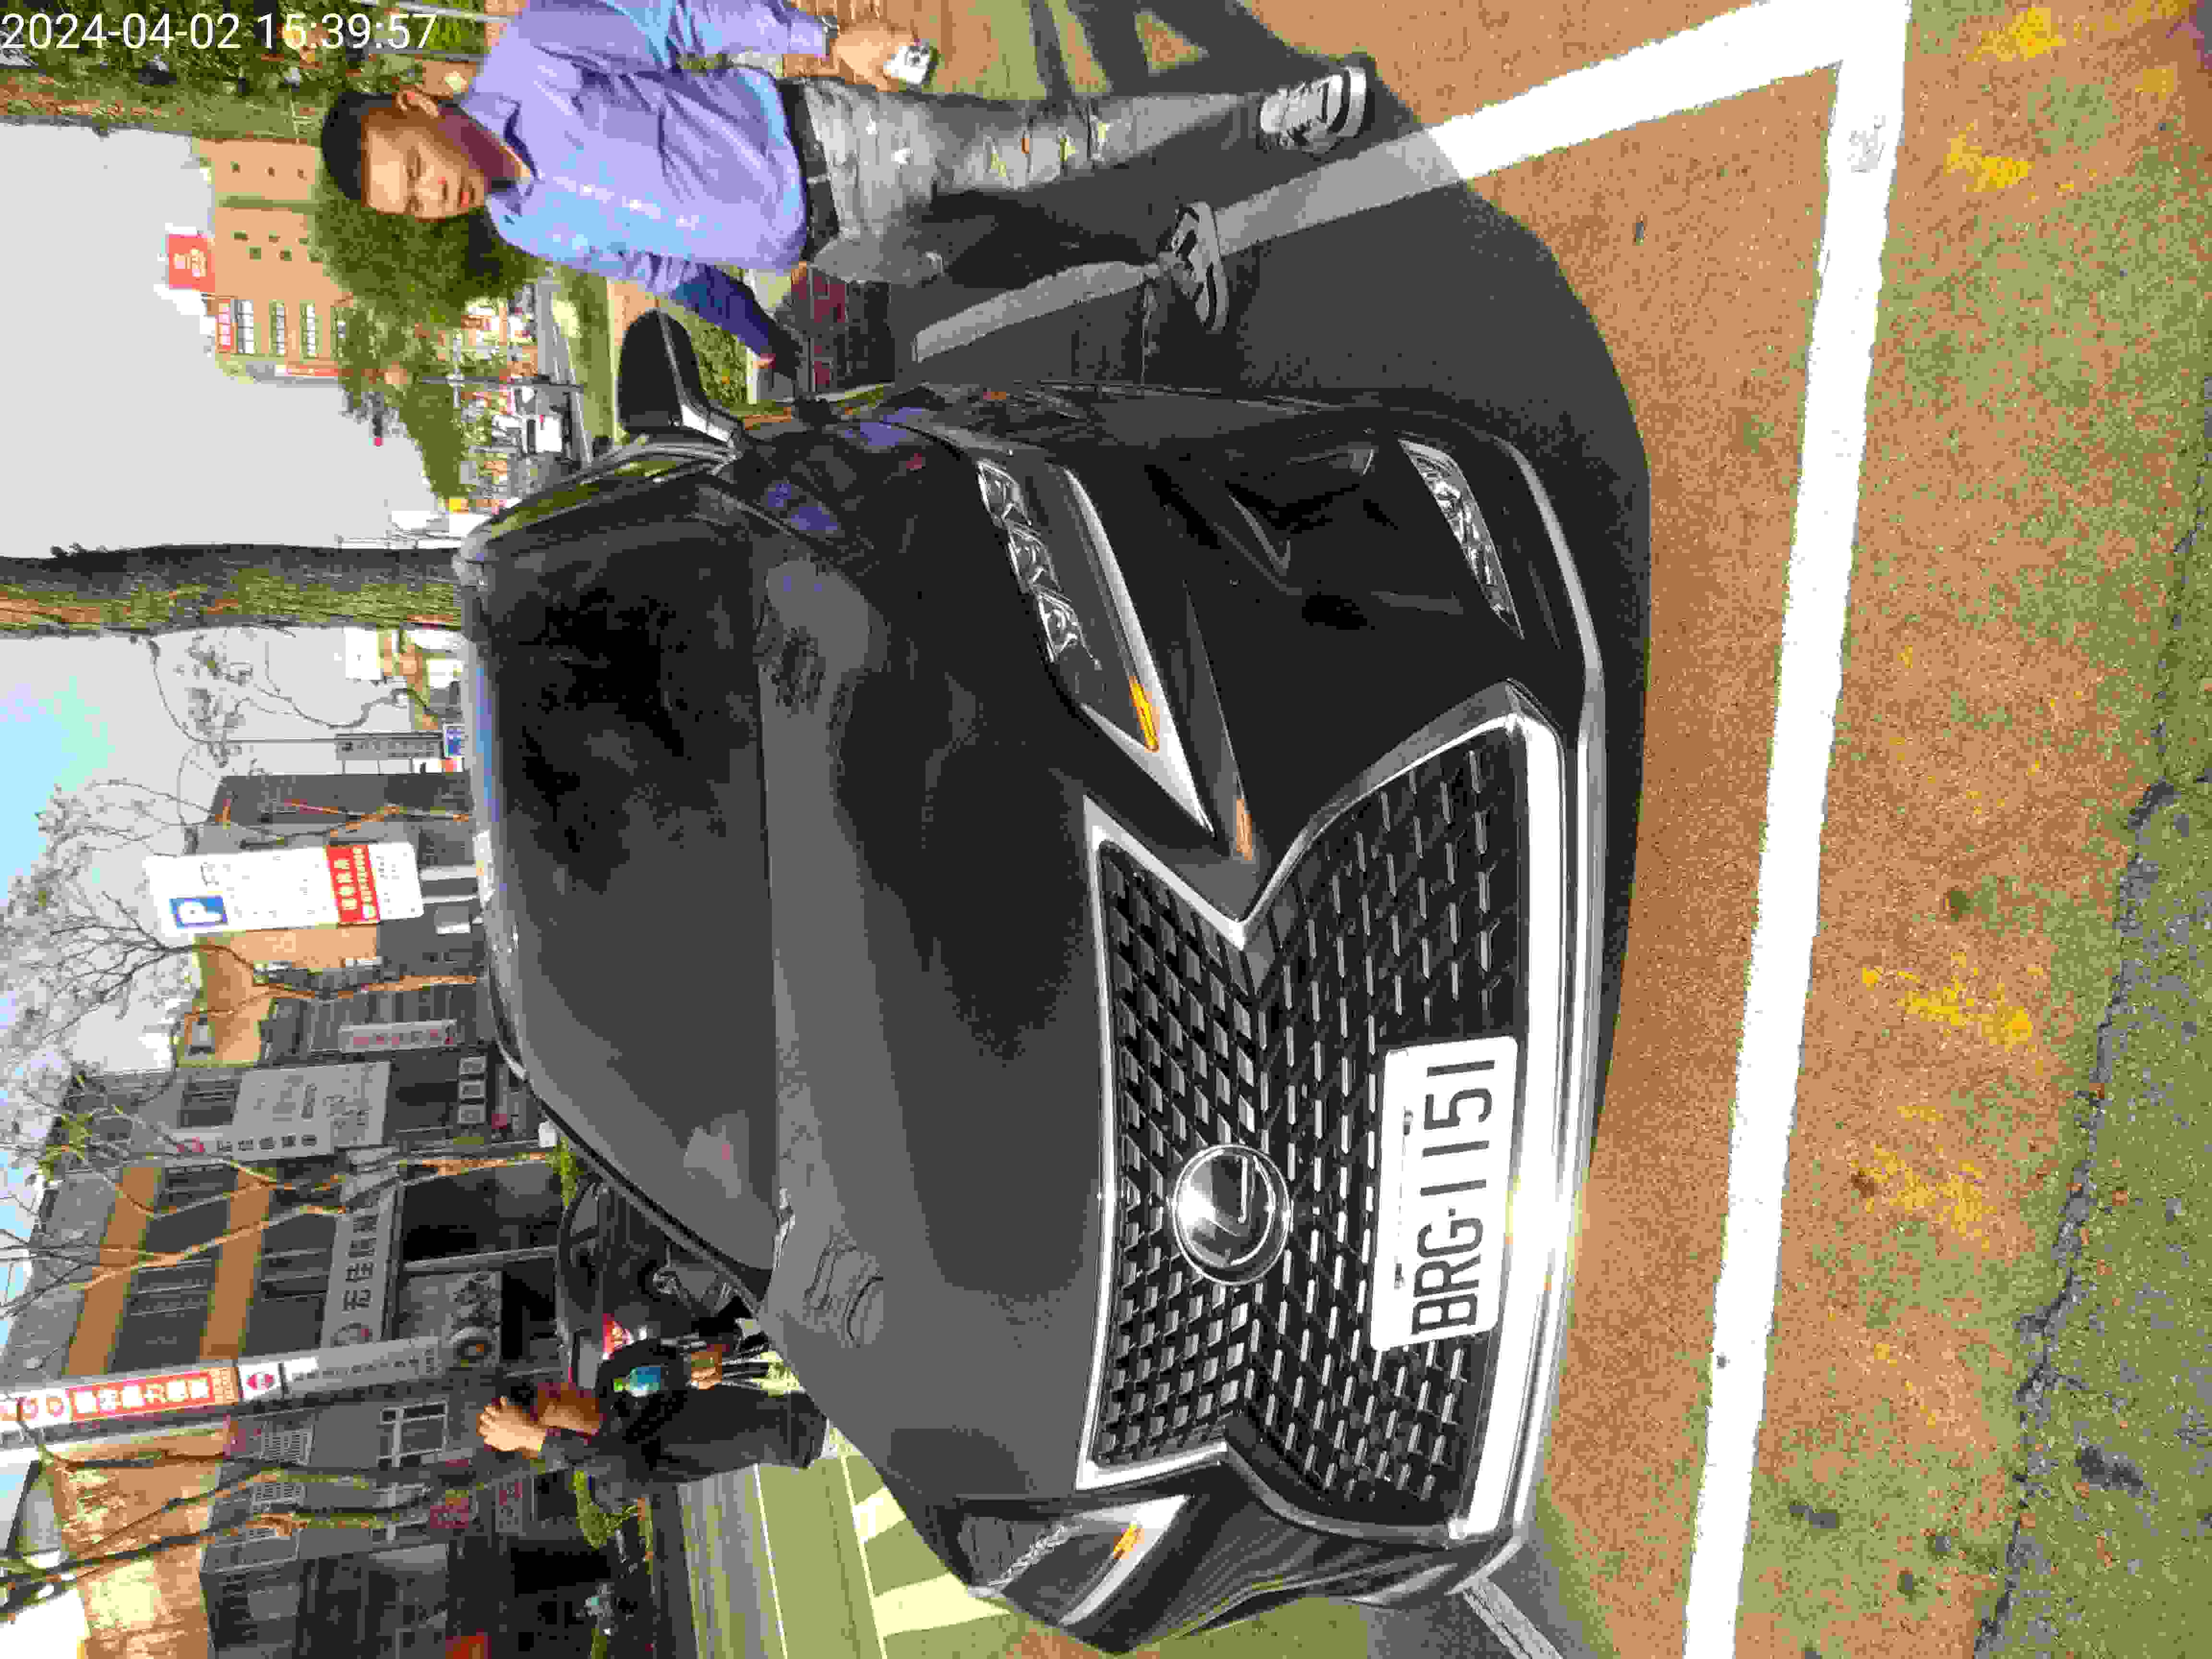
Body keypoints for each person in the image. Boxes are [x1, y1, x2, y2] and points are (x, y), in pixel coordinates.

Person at [318, 0, 1375, 372]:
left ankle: (1272, 112)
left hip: (843, 144)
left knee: (1056, 146)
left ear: (417, 108)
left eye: (411, 172)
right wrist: (762, 340)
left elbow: (682, 20)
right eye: (407, 205)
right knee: (1009, 257)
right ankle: (1156, 247)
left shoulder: (536, 53)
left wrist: (825, 41)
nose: (427, 198)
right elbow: (665, 267)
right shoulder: (528, 226)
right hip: (836, 247)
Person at [477, 1334, 834, 1494]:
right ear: (534, 1444)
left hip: (808, 1354)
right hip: (810, 1426)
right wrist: (533, 1436)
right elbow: (616, 1463)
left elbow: (709, 1337)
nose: (542, 1394)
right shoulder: (611, 1473)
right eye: (530, 1409)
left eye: (527, 1390)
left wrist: (716, 1349)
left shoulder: (615, 1369)